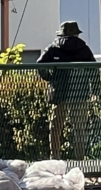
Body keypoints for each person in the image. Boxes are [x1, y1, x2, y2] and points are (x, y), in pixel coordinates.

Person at [36, 21, 97, 160]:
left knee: (56, 127)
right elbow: (94, 69)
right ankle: (80, 158)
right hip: (80, 91)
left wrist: (50, 77)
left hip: (59, 91)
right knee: (79, 128)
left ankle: (55, 157)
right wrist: (95, 89)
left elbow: (39, 64)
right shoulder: (84, 49)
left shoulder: (53, 48)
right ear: (76, 33)